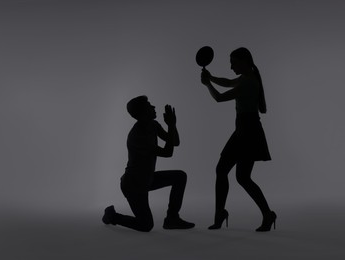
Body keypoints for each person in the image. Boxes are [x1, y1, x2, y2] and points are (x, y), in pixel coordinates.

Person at [200, 47, 276, 232]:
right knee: (231, 173)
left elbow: (218, 97)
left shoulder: (249, 83)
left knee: (240, 177)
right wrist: (211, 78)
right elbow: (227, 83)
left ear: (244, 61)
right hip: (244, 129)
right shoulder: (246, 78)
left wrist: (207, 85)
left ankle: (267, 214)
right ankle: (221, 214)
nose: (231, 66)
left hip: (248, 131)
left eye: (233, 62)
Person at [102, 96, 195, 232]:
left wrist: (172, 126)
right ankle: (111, 215)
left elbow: (175, 142)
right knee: (146, 225)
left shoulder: (153, 125)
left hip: (147, 179)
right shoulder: (137, 135)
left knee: (180, 176)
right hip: (133, 185)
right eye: (149, 106)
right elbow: (168, 152)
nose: (153, 107)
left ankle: (172, 218)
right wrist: (170, 125)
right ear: (142, 112)